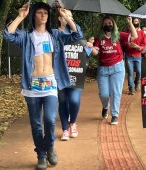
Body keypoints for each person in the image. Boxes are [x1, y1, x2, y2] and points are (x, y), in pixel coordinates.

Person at [2, 2, 83, 169]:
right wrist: (20, 16)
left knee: (50, 120)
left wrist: (67, 17)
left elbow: (77, 35)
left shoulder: (55, 35)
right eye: (39, 12)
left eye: (45, 13)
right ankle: (41, 155)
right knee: (36, 124)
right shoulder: (26, 36)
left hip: (50, 84)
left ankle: (50, 147)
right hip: (32, 86)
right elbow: (8, 35)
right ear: (34, 16)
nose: (43, 15)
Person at [91, 15, 137, 125]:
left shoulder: (119, 35)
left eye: (110, 23)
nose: (108, 25)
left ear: (114, 24)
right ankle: (105, 106)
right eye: (106, 23)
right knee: (104, 94)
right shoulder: (99, 38)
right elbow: (95, 52)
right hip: (103, 70)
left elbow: (134, 36)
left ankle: (115, 115)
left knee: (116, 92)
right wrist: (89, 46)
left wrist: (130, 23)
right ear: (102, 25)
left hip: (117, 68)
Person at [57, 9, 87, 141]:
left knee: (74, 100)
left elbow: (80, 36)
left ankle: (73, 123)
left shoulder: (75, 31)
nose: (68, 18)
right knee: (62, 101)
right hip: (60, 73)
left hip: (76, 72)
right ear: (59, 18)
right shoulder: (54, 33)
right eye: (64, 16)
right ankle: (64, 129)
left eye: (70, 16)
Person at [124, 18, 146, 95]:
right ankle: (131, 88)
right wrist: (129, 45)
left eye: (137, 21)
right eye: (134, 22)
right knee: (130, 73)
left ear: (139, 22)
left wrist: (139, 47)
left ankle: (136, 82)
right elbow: (124, 43)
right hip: (129, 55)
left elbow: (144, 44)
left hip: (138, 55)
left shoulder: (142, 33)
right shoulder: (127, 32)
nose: (135, 23)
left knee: (139, 71)